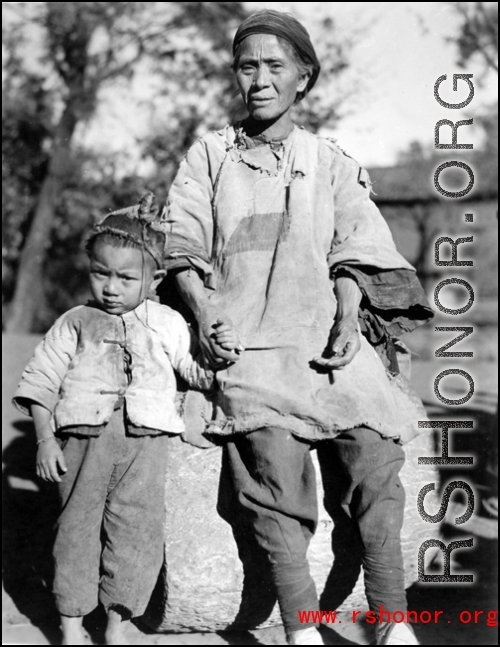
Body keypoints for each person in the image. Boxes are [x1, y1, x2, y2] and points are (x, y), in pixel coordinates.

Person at [165, 10, 433, 647]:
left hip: (327, 342)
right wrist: (205, 316)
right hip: (248, 344)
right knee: (275, 478)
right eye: (247, 65)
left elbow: (355, 246)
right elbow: (182, 248)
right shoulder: (209, 155)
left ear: (303, 78)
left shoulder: (331, 159)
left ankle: (392, 621)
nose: (259, 79)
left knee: (376, 458)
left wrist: (348, 318)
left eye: (274, 66)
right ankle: (301, 628)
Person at [12, 193, 239, 646]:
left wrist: (218, 355)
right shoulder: (75, 322)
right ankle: (72, 624)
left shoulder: (168, 322)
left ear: (154, 280)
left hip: (147, 445)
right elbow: (40, 381)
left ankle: (119, 620)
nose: (111, 288)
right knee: (76, 528)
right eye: (101, 274)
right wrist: (44, 440)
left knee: (136, 532)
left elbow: (192, 372)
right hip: (83, 442)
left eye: (125, 278)